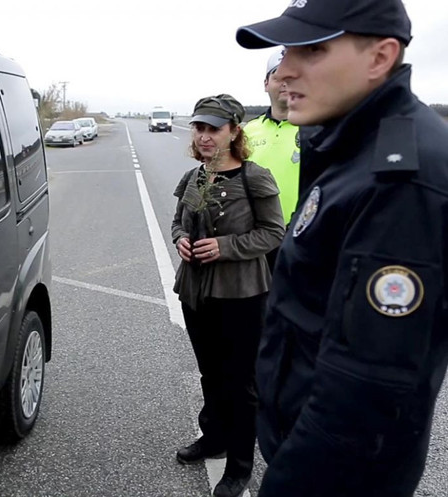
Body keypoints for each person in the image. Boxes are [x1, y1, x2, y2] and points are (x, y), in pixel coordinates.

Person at [236, 0, 448, 495]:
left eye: (311, 50)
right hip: (300, 435)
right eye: (286, 50)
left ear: (379, 58)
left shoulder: (401, 180)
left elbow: (364, 394)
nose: (283, 70)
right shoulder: (346, 145)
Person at [171, 94, 285, 497]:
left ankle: (239, 466)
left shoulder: (255, 177)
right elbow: (177, 223)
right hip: (195, 291)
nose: (204, 136)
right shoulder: (194, 177)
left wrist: (226, 247)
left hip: (242, 294)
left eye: (213, 129)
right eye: (199, 128)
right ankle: (213, 437)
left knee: (240, 382)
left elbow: (274, 233)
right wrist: (182, 240)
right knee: (210, 373)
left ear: (235, 131)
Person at [244, 50, 301, 226]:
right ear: (266, 84)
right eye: (278, 77)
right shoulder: (249, 130)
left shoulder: (317, 129)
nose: (285, 83)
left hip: (301, 234)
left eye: (291, 77)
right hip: (255, 235)